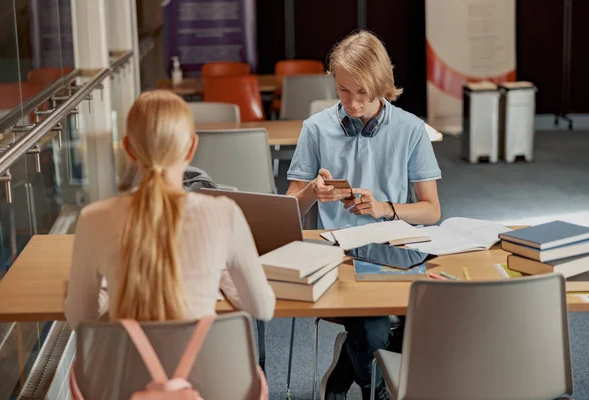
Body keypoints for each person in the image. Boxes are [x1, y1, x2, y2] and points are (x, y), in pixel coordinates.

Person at [286, 30, 442, 399]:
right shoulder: (316, 128)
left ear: (382, 86)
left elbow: (431, 210)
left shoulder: (409, 129)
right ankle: (381, 389)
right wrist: (313, 190)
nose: (352, 103)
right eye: (343, 90)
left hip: (396, 251)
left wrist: (385, 208)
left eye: (363, 93)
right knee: (373, 332)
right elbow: (291, 206)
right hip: (338, 257)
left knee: (428, 319)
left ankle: (345, 368)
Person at [65, 90, 275, 329]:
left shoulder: (93, 219)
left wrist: (111, 286)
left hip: (126, 366)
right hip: (203, 366)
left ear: (128, 149)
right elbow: (263, 308)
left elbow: (79, 318)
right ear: (192, 147)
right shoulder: (225, 215)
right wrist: (222, 275)